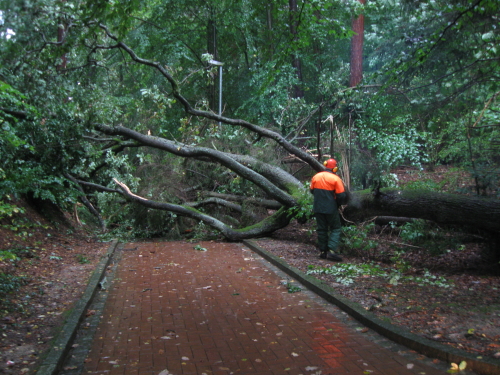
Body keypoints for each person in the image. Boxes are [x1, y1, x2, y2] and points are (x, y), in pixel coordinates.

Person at [310, 158, 348, 262]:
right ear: (335, 168)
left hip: (318, 208)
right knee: (335, 228)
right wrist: (338, 204)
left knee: (322, 229)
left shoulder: (316, 176)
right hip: (331, 209)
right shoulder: (336, 179)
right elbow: (341, 196)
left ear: (325, 165)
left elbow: (312, 191)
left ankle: (323, 251)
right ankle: (331, 251)